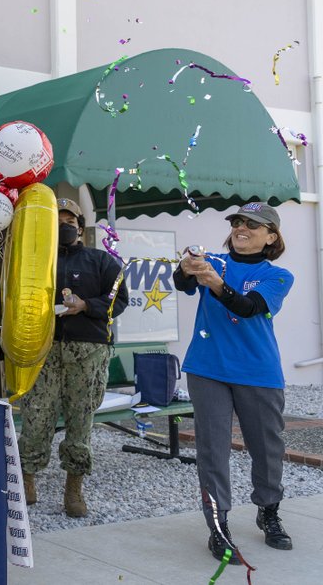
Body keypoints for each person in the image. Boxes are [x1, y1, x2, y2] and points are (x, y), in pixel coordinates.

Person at [175, 202, 293, 560]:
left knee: (267, 448)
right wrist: (185, 268)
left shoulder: (278, 275)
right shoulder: (214, 260)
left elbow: (247, 307)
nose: (241, 228)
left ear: (271, 235)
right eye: (238, 222)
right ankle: (218, 525)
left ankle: (268, 511)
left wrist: (217, 284)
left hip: (259, 371)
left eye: (252, 225)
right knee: (212, 450)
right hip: (207, 368)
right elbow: (182, 284)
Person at [20, 197, 128, 517]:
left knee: (81, 422)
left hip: (88, 352)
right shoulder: (36, 261)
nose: (64, 227)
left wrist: (87, 306)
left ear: (80, 228)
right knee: (37, 416)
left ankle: (74, 488)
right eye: (58, 221)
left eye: (70, 222)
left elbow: (118, 299)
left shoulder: (101, 261)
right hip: (44, 351)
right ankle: (27, 479)